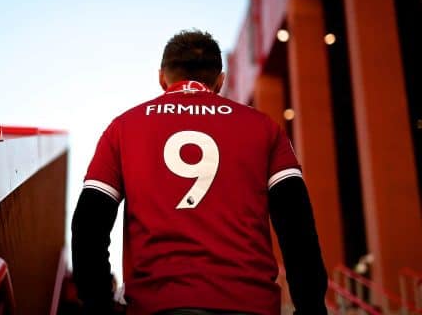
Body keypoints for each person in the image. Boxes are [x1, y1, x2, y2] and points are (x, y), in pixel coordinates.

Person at [72, 30, 328, 315]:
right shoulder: (263, 127)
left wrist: (97, 302)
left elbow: (89, 223)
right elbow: (296, 224)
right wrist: (311, 306)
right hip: (249, 302)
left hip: (157, 304)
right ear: (221, 80)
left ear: (161, 78)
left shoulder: (122, 128)